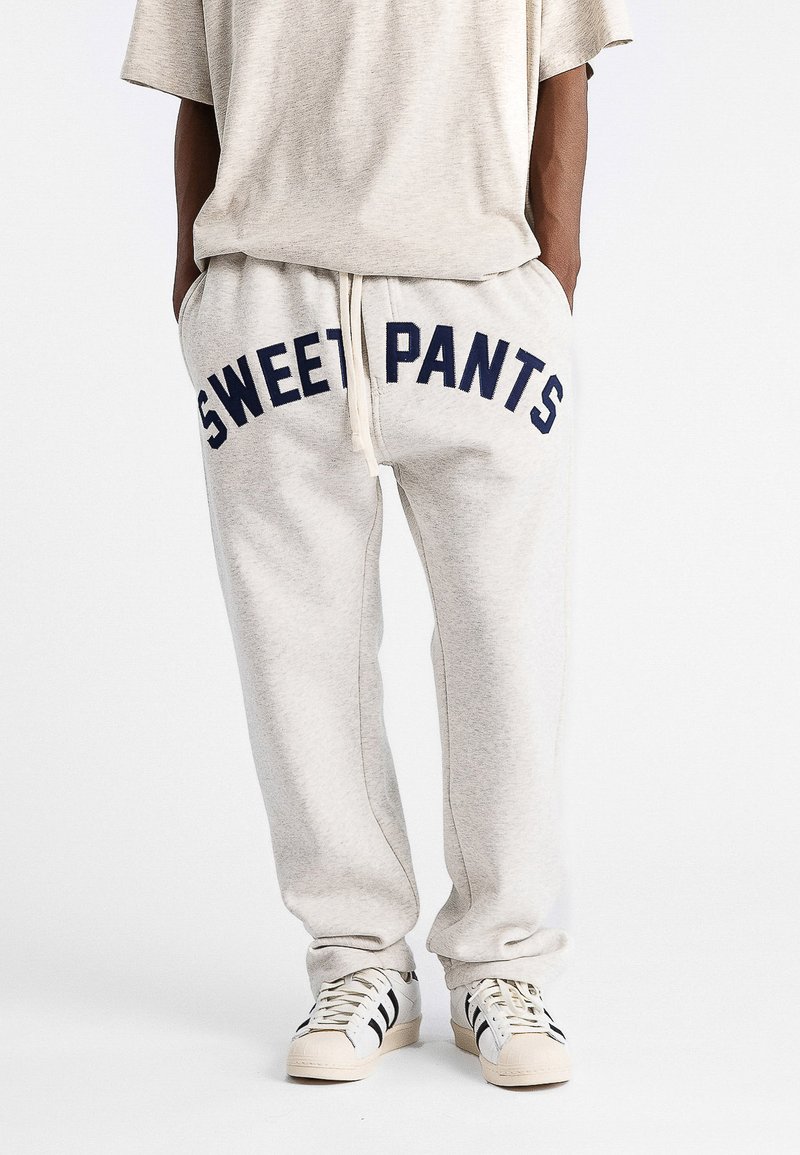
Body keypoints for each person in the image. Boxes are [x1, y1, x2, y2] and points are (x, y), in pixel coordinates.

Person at [121, 0, 632, 1088]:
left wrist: (550, 281)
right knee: (296, 654)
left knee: (507, 646)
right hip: (269, 296)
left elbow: (565, 61)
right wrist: (198, 291)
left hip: (477, 290)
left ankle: (500, 963)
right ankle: (358, 962)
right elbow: (199, 86)